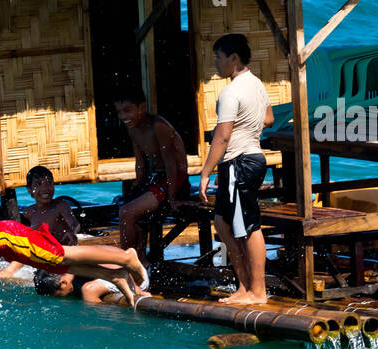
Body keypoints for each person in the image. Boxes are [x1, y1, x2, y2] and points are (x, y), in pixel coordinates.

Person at [0, 220, 149, 345]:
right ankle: (112, 275)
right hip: (3, 241)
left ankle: (125, 257)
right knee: (52, 265)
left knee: (62, 255)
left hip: (6, 237)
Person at [199, 33, 274, 305]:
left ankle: (258, 292)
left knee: (249, 226)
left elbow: (222, 136)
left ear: (233, 58)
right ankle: (244, 287)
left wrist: (206, 172)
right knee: (222, 221)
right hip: (249, 159)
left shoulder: (231, 92)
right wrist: (249, 126)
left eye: (218, 58)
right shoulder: (256, 84)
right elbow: (268, 117)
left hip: (240, 162)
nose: (216, 63)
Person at [115, 89, 189, 267]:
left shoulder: (158, 126)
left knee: (126, 212)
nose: (123, 116)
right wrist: (137, 187)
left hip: (174, 181)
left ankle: (125, 263)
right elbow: (140, 162)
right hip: (155, 179)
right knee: (128, 208)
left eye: (127, 110)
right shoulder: (133, 129)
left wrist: (173, 198)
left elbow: (172, 164)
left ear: (142, 107)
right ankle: (140, 259)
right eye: (119, 112)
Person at [0, 165, 80, 281]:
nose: (45, 188)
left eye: (49, 183)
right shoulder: (29, 212)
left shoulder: (60, 206)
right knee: (5, 245)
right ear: (29, 190)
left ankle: (8, 271)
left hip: (55, 247)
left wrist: (71, 232)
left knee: (28, 248)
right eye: (38, 185)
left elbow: (75, 224)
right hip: (39, 249)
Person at [33, 270, 124, 305]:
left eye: (59, 296)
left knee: (89, 290)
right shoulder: (71, 276)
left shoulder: (78, 264)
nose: (63, 297)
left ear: (63, 283)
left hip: (122, 277)